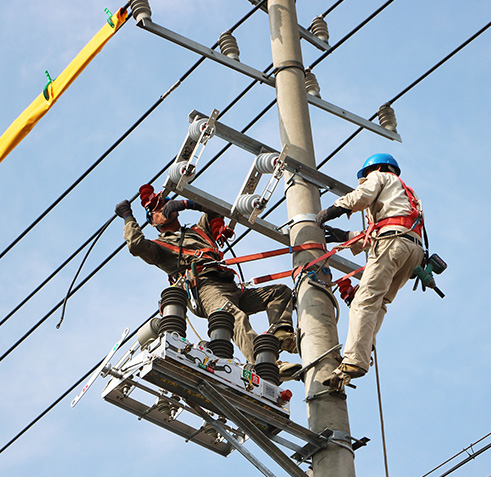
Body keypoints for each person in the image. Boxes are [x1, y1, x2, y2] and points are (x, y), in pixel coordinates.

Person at [115, 185, 299, 379]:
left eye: (166, 205)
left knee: (280, 292)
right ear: (153, 222)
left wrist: (187, 203)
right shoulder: (159, 248)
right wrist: (128, 216)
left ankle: (281, 335)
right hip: (204, 289)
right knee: (234, 317)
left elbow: (216, 209)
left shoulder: (199, 230)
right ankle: (266, 365)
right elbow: (136, 245)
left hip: (229, 286)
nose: (163, 209)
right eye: (157, 210)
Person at [315, 153, 425, 390]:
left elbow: (361, 197)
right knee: (380, 301)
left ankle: (355, 359)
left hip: (393, 242)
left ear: (377, 168)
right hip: (412, 251)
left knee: (364, 301)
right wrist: (344, 237)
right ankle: (364, 347)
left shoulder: (380, 177)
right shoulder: (408, 194)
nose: (364, 180)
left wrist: (334, 209)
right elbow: (389, 226)